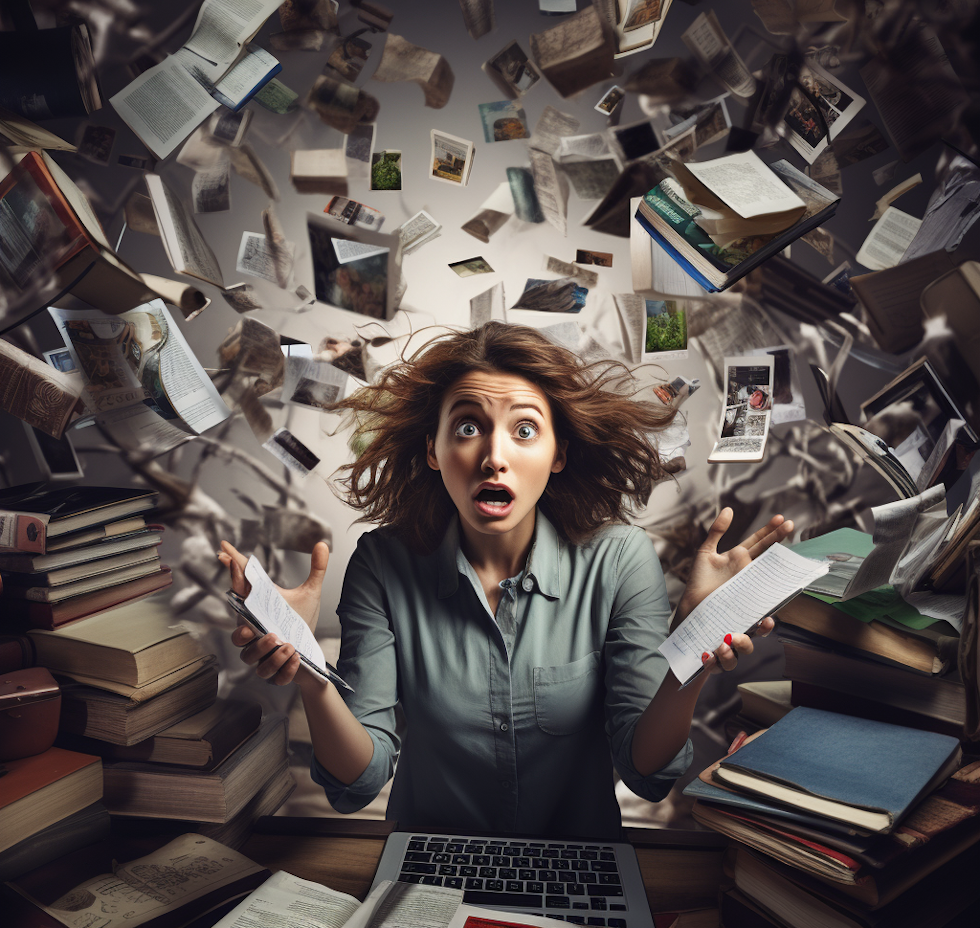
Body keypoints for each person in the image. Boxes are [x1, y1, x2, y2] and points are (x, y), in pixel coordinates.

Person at [219, 322, 792, 838]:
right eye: (468, 426)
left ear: (558, 453)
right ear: (435, 451)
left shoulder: (619, 560)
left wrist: (693, 645)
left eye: (524, 430)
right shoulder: (382, 563)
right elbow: (358, 783)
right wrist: (312, 676)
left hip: (576, 870)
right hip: (429, 864)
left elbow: (646, 774)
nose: (494, 455)